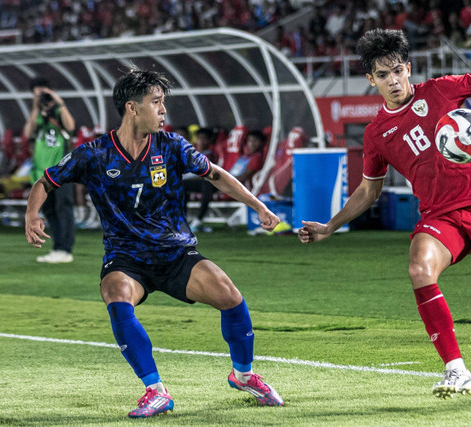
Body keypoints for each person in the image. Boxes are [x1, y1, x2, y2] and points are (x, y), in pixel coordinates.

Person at [298, 29, 471, 399]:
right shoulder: (377, 134)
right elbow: (369, 189)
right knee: (418, 268)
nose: (393, 80)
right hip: (440, 214)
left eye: (397, 70)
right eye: (383, 75)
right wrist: (331, 226)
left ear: (408, 68)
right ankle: (456, 369)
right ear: (371, 80)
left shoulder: (441, 89)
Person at [24, 68, 284, 418]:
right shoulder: (95, 154)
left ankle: (244, 375)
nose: (164, 111)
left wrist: (259, 206)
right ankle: (155, 391)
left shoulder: (172, 146)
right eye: (156, 103)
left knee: (230, 295)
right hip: (126, 259)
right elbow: (46, 181)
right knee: (115, 293)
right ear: (132, 108)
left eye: (164, 103)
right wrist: (31, 215)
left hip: (176, 253)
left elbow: (216, 175)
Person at [23, 77, 76, 263]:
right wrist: (36, 106)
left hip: (60, 171)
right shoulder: (38, 115)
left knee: (63, 209)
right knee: (50, 211)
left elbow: (70, 126)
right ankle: (57, 248)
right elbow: (27, 133)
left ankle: (65, 249)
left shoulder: (58, 110)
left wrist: (58, 102)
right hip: (40, 173)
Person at [183, 127, 218, 232]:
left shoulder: (210, 154)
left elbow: (205, 172)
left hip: (208, 182)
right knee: (180, 185)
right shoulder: (190, 152)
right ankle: (183, 220)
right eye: (199, 138)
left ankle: (198, 220)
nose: (201, 141)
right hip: (192, 181)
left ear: (209, 140)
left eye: (204, 138)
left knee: (206, 184)